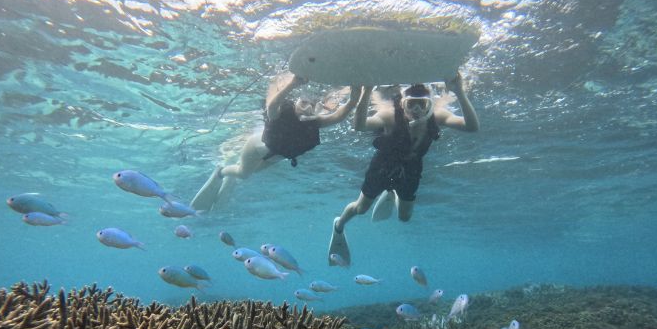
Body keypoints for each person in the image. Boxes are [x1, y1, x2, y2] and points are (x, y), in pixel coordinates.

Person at [328, 73, 479, 265]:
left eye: (421, 104)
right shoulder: (390, 116)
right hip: (383, 165)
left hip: (411, 167)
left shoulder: (436, 117)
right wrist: (366, 92)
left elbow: (472, 127)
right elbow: (359, 126)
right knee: (361, 208)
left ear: (429, 105)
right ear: (403, 104)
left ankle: (393, 193)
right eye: (411, 104)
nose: (416, 109)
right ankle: (339, 224)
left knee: (405, 218)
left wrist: (459, 91)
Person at [192, 73, 361, 211]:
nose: (307, 107)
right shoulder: (280, 114)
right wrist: (292, 83)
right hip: (257, 148)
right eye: (303, 102)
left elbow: (340, 115)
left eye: (312, 104)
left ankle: (230, 174)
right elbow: (272, 106)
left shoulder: (315, 122)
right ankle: (221, 172)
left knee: (248, 174)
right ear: (295, 103)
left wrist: (354, 97)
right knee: (243, 173)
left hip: (276, 156)